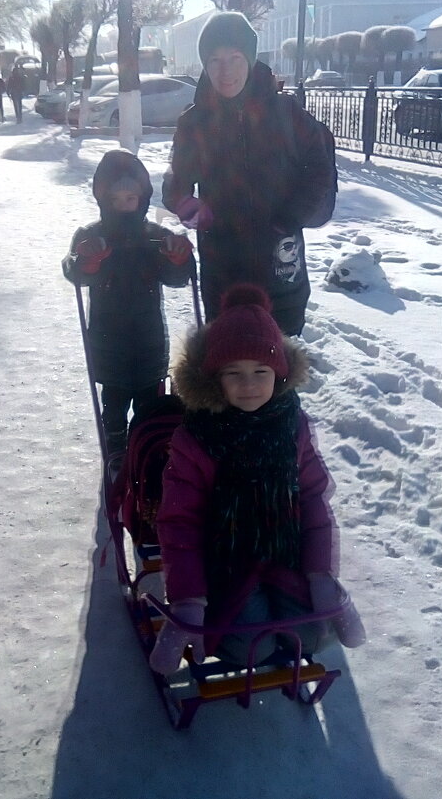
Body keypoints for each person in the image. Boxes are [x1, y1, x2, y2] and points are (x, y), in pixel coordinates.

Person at [148, 284, 365, 676]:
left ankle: (293, 599)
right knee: (249, 644)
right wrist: (188, 600)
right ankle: (236, 615)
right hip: (223, 565)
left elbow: (314, 501)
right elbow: (180, 522)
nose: (249, 385)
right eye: (234, 373)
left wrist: (320, 575)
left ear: (279, 374)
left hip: (283, 555)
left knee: (315, 636)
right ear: (215, 379)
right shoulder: (196, 438)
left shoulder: (291, 426)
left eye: (260, 372)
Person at [161, 12, 338, 336]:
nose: (225, 70)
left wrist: (292, 215)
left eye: (234, 58)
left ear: (251, 59)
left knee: (279, 364)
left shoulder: (287, 114)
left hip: (280, 263)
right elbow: (176, 184)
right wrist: (187, 205)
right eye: (214, 60)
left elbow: (319, 168)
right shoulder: (194, 123)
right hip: (222, 268)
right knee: (228, 361)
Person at [63, 150, 196, 469]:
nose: (124, 205)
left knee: (150, 401)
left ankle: (145, 446)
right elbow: (74, 271)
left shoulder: (155, 236)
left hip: (149, 338)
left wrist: (179, 259)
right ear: (103, 199)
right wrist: (87, 261)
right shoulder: (90, 236)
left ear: (142, 198)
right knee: (114, 400)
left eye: (131, 198)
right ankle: (116, 446)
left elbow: (178, 278)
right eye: (116, 199)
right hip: (108, 340)